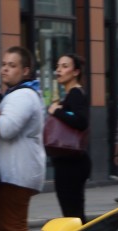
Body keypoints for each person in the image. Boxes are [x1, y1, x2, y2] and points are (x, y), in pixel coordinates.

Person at [0, 46, 45, 231]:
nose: (5, 70)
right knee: (3, 229)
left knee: (12, 228)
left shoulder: (24, 95)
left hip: (16, 175)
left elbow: (6, 128)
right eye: (3, 64)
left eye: (12, 65)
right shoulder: (14, 95)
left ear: (26, 71)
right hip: (9, 173)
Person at [47, 53, 90, 221]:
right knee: (73, 214)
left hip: (71, 163)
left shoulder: (75, 93)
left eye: (65, 66)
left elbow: (82, 121)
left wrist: (56, 111)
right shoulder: (71, 94)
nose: (59, 70)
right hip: (70, 162)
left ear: (75, 72)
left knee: (73, 216)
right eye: (58, 66)